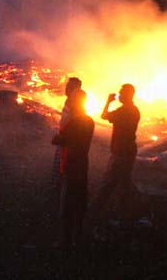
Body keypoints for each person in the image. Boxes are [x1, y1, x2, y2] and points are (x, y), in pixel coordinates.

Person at [52, 89, 94, 247]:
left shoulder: (74, 122)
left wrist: (58, 134)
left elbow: (57, 140)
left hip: (70, 164)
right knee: (80, 201)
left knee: (67, 203)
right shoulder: (89, 121)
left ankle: (66, 241)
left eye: (71, 100)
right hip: (83, 163)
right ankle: (79, 236)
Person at [93, 83, 140, 222]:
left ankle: (95, 212)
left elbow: (103, 115)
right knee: (124, 182)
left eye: (122, 93)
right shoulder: (134, 110)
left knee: (109, 182)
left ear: (128, 95)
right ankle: (122, 213)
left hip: (120, 151)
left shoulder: (124, 111)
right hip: (129, 150)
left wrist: (108, 102)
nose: (119, 95)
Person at [51, 78, 82, 205]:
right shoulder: (68, 101)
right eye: (67, 86)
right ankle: (58, 189)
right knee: (59, 165)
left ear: (76, 90)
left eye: (69, 87)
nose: (66, 89)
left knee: (65, 167)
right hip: (63, 139)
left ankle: (64, 196)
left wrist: (62, 137)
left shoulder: (77, 107)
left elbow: (75, 127)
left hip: (67, 143)